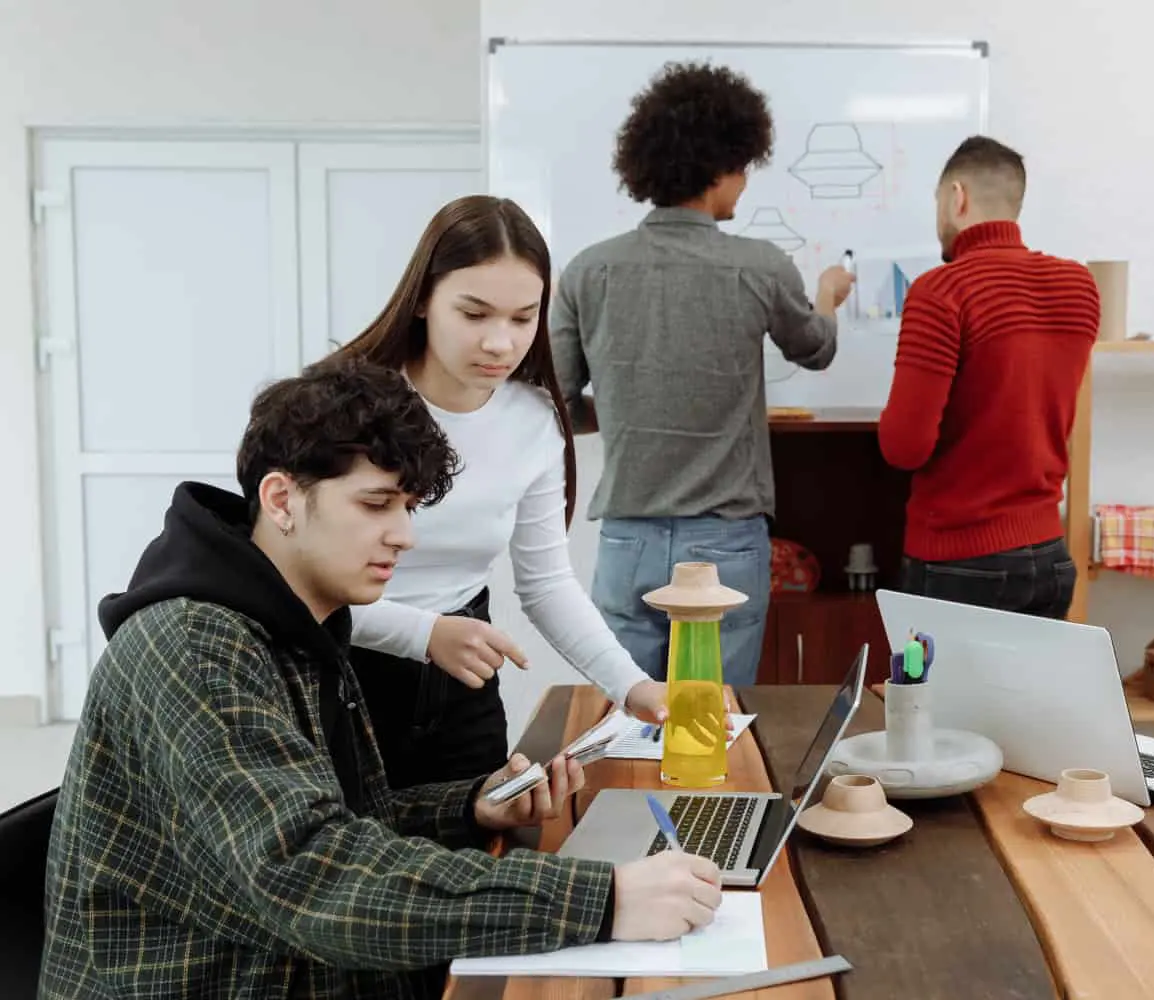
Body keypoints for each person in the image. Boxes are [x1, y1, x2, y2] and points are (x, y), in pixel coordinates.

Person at [39, 360, 723, 1000]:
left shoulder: (294, 619)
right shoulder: (197, 644)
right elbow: (310, 877)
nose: (405, 536)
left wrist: (468, 808)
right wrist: (602, 900)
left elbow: (328, 824)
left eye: (408, 507)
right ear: (282, 498)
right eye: (375, 505)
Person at [324, 196, 667, 789]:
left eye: (522, 318)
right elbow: (284, 588)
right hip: (344, 671)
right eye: (475, 314)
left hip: (464, 675)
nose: (500, 344)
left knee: (480, 854)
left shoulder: (532, 418)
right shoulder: (343, 406)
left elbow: (546, 584)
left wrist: (631, 685)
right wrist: (423, 634)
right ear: (425, 299)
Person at [550, 61, 855, 686]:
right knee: (714, 730)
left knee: (626, 724)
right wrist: (828, 294)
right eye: (742, 167)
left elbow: (554, 400)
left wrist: (626, 402)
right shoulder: (759, 265)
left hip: (627, 543)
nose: (744, 184)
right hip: (725, 543)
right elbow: (816, 349)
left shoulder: (589, 270)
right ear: (717, 168)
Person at [877, 136, 1100, 619]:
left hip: (958, 561)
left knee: (941, 700)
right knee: (1025, 698)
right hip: (1046, 554)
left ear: (957, 197)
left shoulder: (941, 290)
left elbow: (903, 446)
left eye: (939, 203)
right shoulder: (1078, 286)